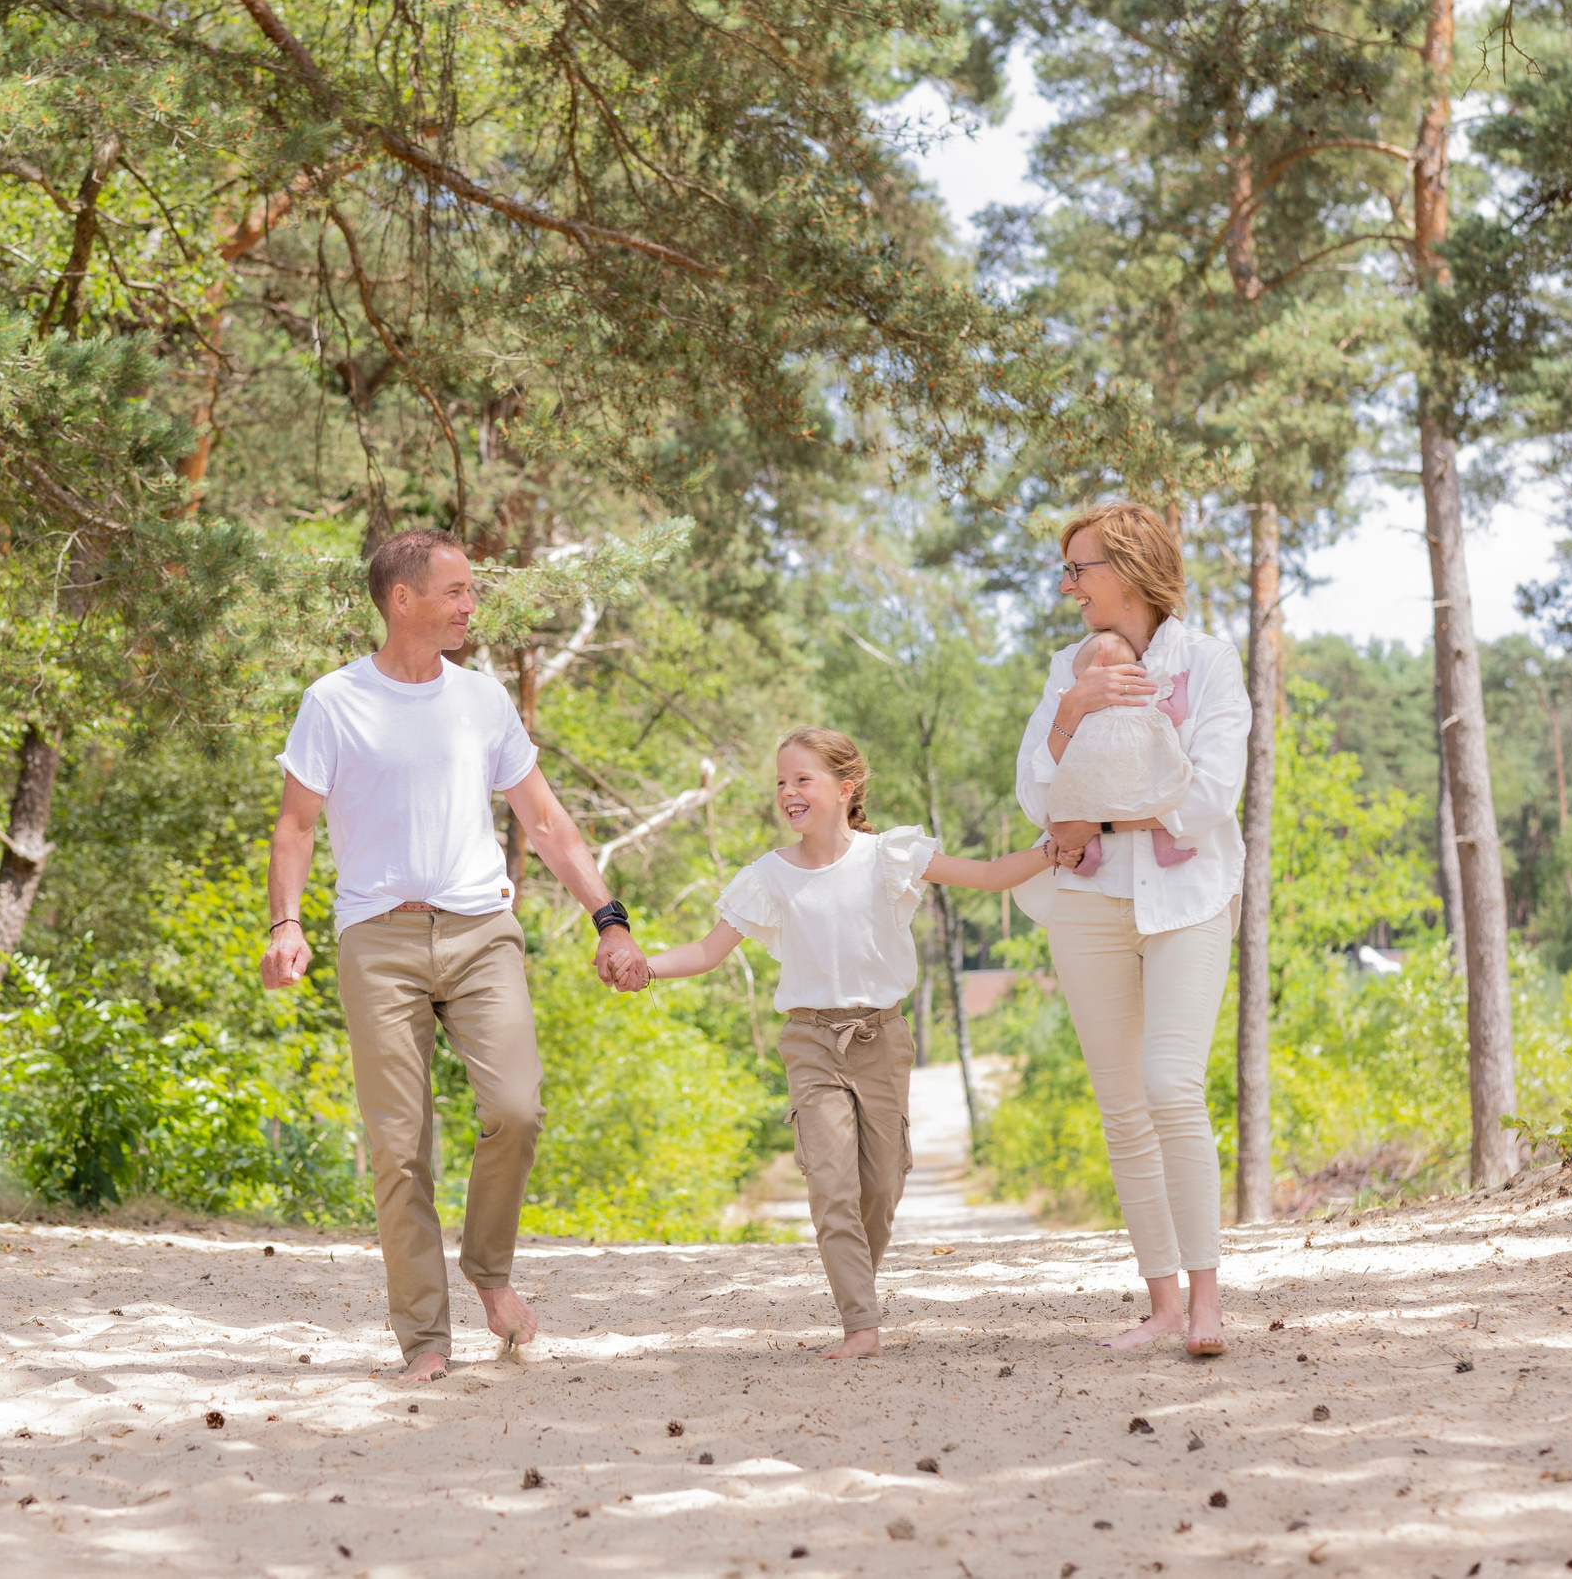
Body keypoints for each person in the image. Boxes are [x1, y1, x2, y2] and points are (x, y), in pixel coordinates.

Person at [260, 529, 651, 1385]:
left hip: (480, 931)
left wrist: (610, 919)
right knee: (400, 1147)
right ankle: (424, 1340)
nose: (473, 605)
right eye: (458, 591)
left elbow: (545, 824)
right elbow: (294, 826)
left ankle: (489, 1270)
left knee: (516, 1107)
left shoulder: (482, 701)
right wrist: (284, 925)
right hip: (378, 940)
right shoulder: (333, 701)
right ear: (404, 600)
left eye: (471, 591)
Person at [629, 727, 1053, 1360]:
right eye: (780, 782)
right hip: (811, 1042)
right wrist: (645, 965)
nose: (788, 793)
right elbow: (708, 951)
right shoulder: (769, 876)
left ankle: (858, 1290)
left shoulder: (890, 856)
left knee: (881, 1188)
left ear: (844, 788)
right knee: (832, 1188)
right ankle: (861, 1324)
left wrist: (1056, 848)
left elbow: (991, 875)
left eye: (802, 779)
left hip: (883, 1038)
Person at [1016, 501, 1252, 1357]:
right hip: (1086, 904)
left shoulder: (1212, 663)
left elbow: (1208, 800)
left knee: (1170, 1086)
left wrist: (1099, 823)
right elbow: (1036, 800)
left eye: (1080, 568)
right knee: (1122, 1106)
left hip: (1191, 901)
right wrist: (1071, 713)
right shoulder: (1063, 668)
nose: (1068, 585)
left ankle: (1207, 1302)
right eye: (1067, 569)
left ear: (1130, 570)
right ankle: (1159, 1307)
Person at [1047, 629, 1199, 875]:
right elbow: (1176, 714)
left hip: (1096, 780)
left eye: (1081, 678)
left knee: (1081, 807)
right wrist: (1179, 688)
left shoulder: (1091, 704)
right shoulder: (1147, 694)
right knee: (1162, 801)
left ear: (1102, 669)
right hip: (1138, 775)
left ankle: (1092, 854)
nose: (1078, 685)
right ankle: (1164, 851)